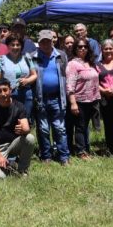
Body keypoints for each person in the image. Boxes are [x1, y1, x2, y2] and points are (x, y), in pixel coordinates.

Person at [32, 29, 69, 165]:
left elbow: (66, 75)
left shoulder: (61, 55)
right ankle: (46, 155)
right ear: (39, 43)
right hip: (41, 98)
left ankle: (64, 156)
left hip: (58, 98)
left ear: (52, 41)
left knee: (60, 128)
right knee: (43, 129)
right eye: (43, 42)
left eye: (48, 41)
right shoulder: (33, 56)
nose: (45, 44)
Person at [0, 78, 36, 178]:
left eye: (5, 90)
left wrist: (24, 130)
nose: (3, 94)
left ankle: (22, 170)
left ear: (10, 90)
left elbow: (26, 128)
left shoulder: (19, 106)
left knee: (30, 138)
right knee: (0, 177)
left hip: (14, 144)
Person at [66, 36, 100, 160]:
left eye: (85, 47)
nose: (83, 49)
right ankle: (81, 151)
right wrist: (73, 103)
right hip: (79, 100)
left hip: (91, 100)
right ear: (75, 48)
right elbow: (70, 85)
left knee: (85, 126)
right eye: (80, 47)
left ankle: (86, 148)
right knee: (80, 127)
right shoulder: (72, 64)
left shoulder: (90, 63)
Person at [0, 35, 37, 121]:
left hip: (26, 94)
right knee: (11, 120)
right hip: (9, 95)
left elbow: (34, 75)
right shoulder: (1, 60)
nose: (15, 47)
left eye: (18, 45)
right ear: (8, 46)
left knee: (25, 119)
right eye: (12, 45)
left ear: (21, 46)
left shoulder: (27, 58)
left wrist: (27, 80)